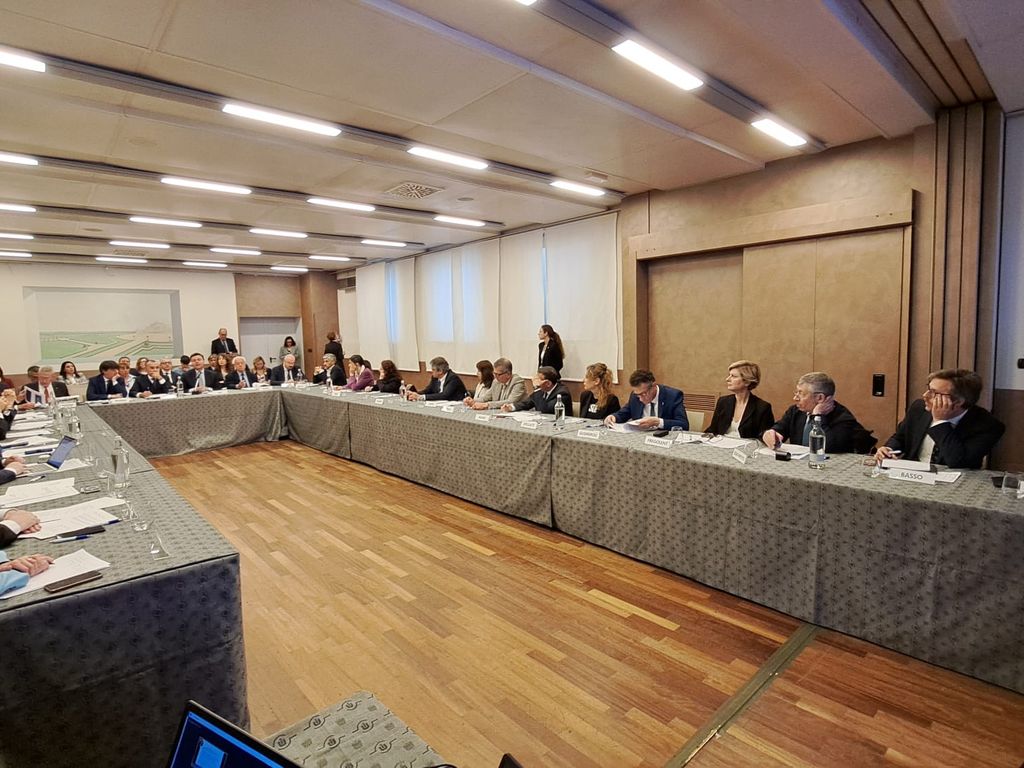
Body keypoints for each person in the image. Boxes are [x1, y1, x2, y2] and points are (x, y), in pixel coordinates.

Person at [875, 369, 1005, 469]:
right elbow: (900, 438)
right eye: (928, 389)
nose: (925, 395)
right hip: (912, 474)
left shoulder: (989, 426)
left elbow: (959, 462)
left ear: (958, 401)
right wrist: (888, 449)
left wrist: (940, 422)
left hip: (955, 484)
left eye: (934, 393)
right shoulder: (919, 408)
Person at [763, 372, 873, 453]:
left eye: (801, 394)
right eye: (796, 393)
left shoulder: (843, 418)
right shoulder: (795, 411)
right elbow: (779, 429)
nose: (795, 398)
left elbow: (827, 447)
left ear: (820, 398)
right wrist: (770, 433)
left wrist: (817, 416)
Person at [704, 360, 775, 438]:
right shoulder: (723, 401)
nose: (727, 379)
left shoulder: (762, 407)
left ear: (747, 382)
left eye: (733, 376)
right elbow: (712, 430)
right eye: (729, 375)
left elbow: (764, 438)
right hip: (721, 443)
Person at [605, 369, 688, 430]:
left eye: (643, 393)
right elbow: (625, 413)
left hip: (663, 440)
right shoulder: (635, 396)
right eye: (638, 395)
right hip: (639, 438)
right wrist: (613, 417)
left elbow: (684, 425)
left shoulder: (673, 396)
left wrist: (658, 422)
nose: (640, 399)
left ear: (654, 386)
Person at [504, 367, 571, 414]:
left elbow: (545, 410)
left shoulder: (562, 393)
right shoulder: (542, 390)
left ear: (548, 383)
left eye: (539, 379)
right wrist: (511, 407)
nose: (535, 380)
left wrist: (536, 387)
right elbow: (527, 403)